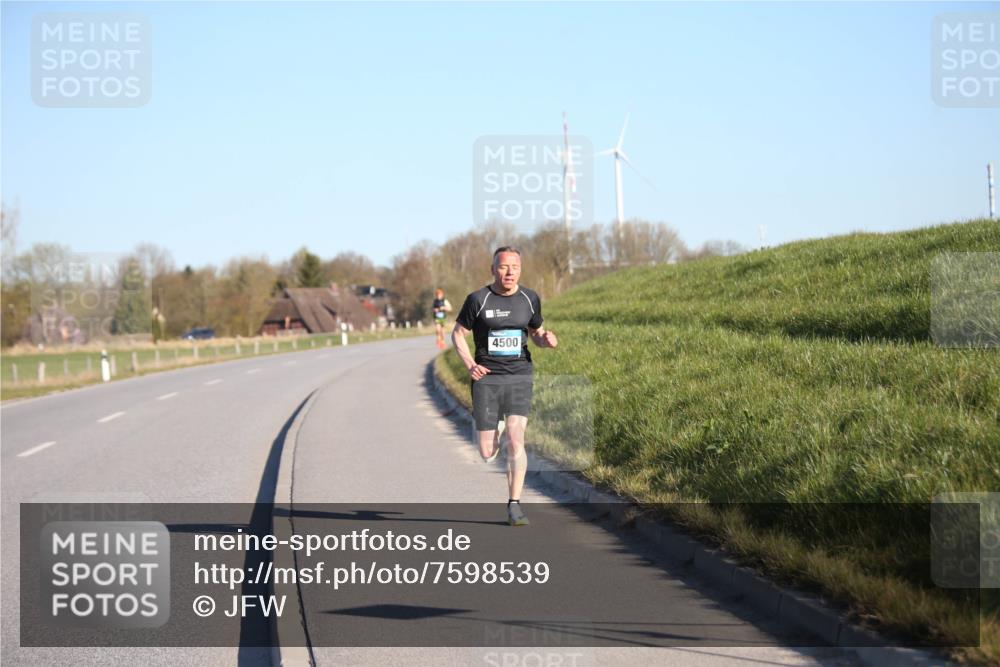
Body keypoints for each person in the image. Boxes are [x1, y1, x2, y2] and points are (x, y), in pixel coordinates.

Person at [452, 247, 558, 526]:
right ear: (493, 269)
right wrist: (469, 365)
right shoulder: (478, 299)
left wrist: (544, 340)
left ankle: (514, 504)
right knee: (487, 452)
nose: (509, 272)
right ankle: (494, 428)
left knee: (516, 439)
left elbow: (535, 333)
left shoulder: (530, 298)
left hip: (519, 375)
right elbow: (458, 334)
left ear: (520, 270)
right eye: (503, 267)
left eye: (515, 267)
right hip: (487, 378)